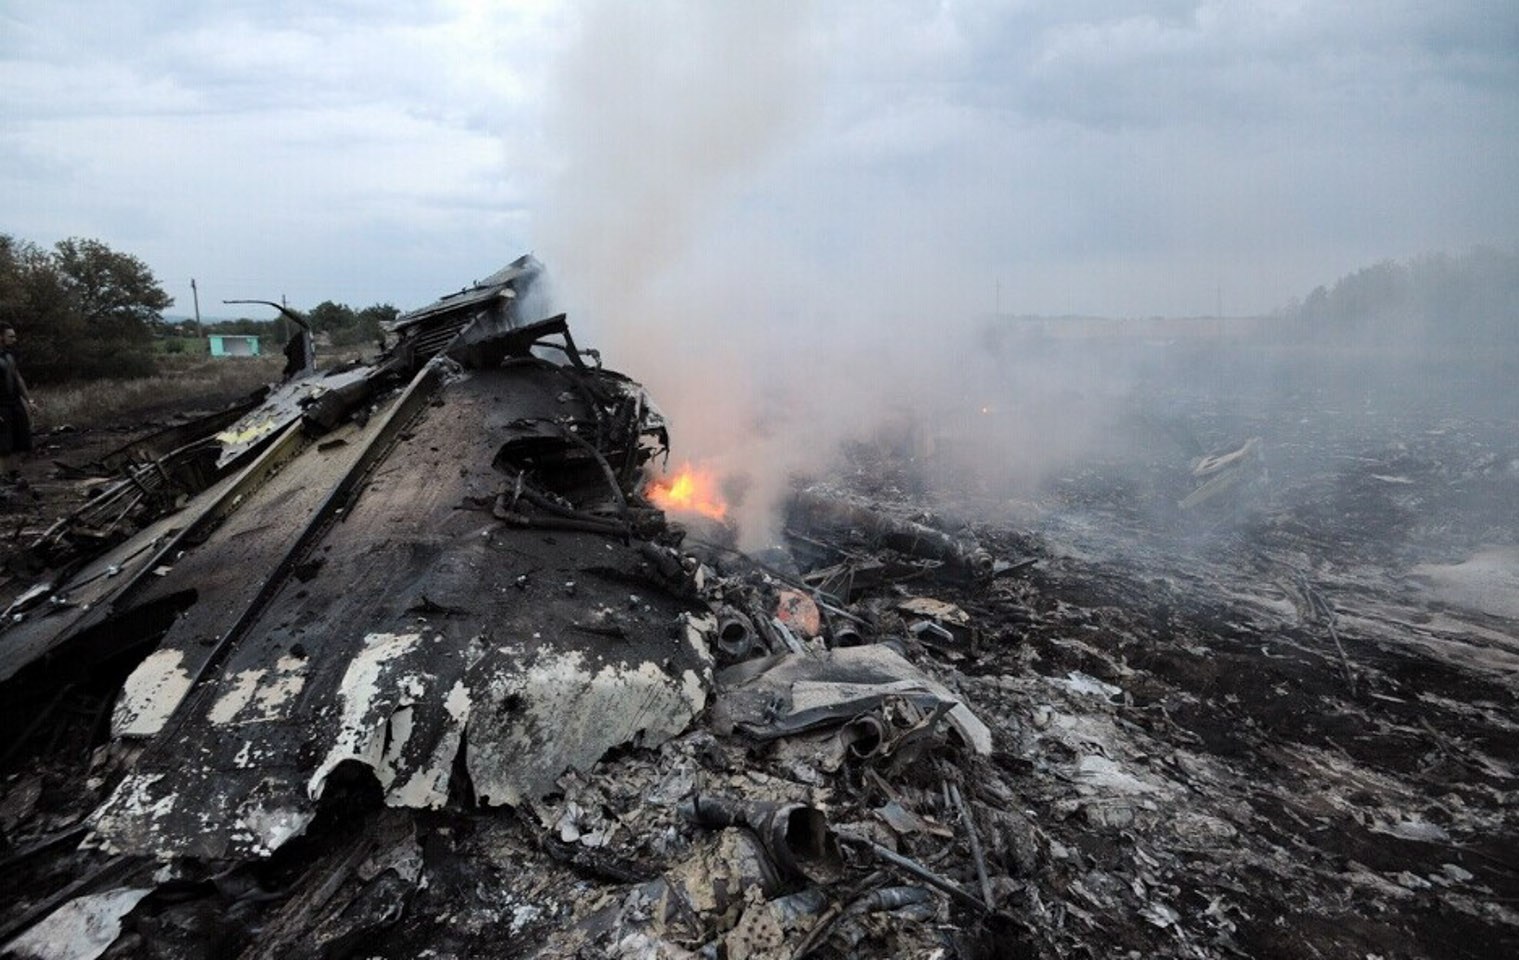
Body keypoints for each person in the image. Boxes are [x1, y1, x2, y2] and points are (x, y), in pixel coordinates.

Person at [0, 324, 37, 475]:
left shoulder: (10, 354)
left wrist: (29, 401)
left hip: (14, 403)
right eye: (11, 336)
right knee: (3, 444)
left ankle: (14, 475)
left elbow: (18, 378)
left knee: (20, 440)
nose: (14, 339)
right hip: (1, 405)